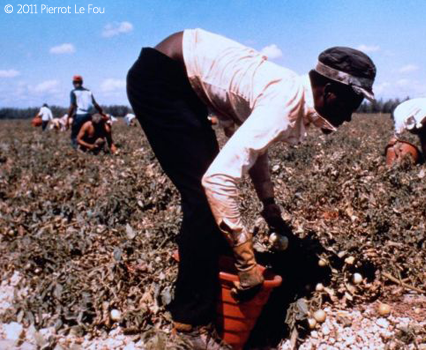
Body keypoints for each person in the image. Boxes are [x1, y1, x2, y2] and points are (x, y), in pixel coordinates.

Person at [126, 28, 376, 348]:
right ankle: (189, 327)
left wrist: (269, 205)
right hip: (161, 78)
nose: (351, 117)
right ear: (330, 91)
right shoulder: (284, 103)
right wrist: (245, 259)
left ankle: (210, 293)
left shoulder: (288, 94)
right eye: (352, 103)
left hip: (176, 76)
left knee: (209, 200)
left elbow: (254, 146)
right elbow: (217, 181)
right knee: (204, 198)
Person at [67, 75, 104, 148]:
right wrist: (101, 112)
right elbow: (95, 104)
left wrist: (68, 117)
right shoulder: (88, 91)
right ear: (82, 82)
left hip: (79, 116)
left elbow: (72, 106)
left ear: (73, 83)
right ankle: (90, 146)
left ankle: (77, 148)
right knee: (86, 132)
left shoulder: (73, 92)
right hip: (88, 115)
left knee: (75, 134)